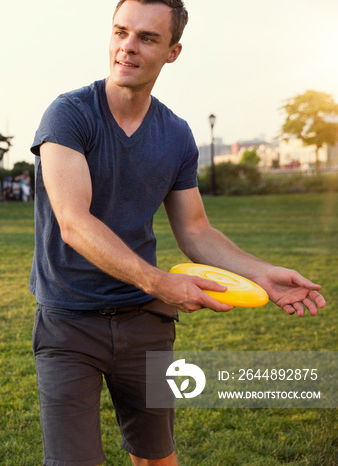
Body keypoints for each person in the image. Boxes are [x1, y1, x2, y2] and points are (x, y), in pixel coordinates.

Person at [29, 1, 326, 465]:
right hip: (69, 322)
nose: (127, 47)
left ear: (172, 52)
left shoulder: (177, 135)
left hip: (145, 321)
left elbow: (196, 230)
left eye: (147, 38)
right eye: (121, 32)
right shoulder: (69, 115)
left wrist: (262, 275)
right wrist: (159, 281)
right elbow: (74, 222)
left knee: (156, 458)